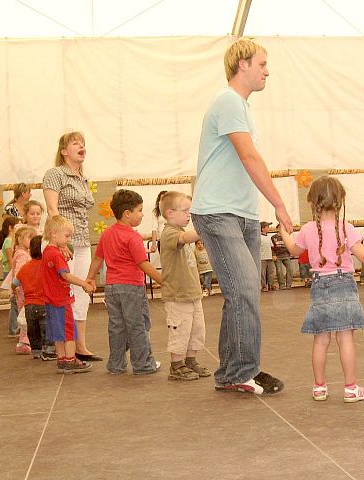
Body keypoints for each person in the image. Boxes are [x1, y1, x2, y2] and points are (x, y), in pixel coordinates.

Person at [190, 38, 292, 395]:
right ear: (242, 64)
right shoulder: (229, 101)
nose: (267, 71)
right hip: (218, 212)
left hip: (242, 213)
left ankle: (238, 369)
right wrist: (279, 204)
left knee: (243, 293)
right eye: (262, 64)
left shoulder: (241, 107)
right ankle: (240, 370)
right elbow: (249, 158)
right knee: (245, 290)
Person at [279, 176, 364, 402]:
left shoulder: (308, 229)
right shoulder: (346, 228)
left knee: (320, 340)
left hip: (319, 285)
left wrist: (282, 232)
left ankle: (319, 387)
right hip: (344, 284)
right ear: (340, 202)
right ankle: (351, 388)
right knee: (345, 339)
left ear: (312, 202)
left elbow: (293, 250)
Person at [86, 190, 162, 375]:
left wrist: (89, 278)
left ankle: (116, 365)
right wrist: (164, 281)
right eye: (140, 210)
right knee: (138, 326)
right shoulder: (133, 236)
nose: (142, 214)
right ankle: (143, 364)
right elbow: (143, 263)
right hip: (132, 288)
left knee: (117, 327)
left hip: (112, 289)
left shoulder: (106, 234)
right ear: (127, 213)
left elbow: (97, 260)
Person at [43, 132, 100, 362]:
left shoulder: (83, 178)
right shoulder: (55, 174)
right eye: (75, 143)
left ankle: (81, 346)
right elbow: (52, 209)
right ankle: (64, 349)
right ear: (64, 151)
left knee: (82, 290)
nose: (81, 146)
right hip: (63, 241)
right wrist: (60, 243)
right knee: (63, 292)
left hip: (83, 241)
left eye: (83, 143)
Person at [159, 191, 212, 381]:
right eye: (186, 210)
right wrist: (205, 228)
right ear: (170, 213)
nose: (189, 214)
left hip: (192, 293)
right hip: (177, 295)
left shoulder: (181, 231)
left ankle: (190, 360)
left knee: (196, 330)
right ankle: (176, 365)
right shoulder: (169, 233)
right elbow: (185, 239)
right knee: (180, 330)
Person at [41, 215, 94, 374]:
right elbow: (65, 275)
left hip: (50, 299)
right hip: (61, 300)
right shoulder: (56, 254)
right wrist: (84, 283)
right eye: (67, 236)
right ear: (53, 233)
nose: (69, 239)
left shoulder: (47, 252)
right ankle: (70, 360)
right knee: (69, 331)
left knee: (57, 332)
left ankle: (62, 359)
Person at [13, 235, 56, 360]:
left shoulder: (25, 268)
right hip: (44, 303)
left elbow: (14, 283)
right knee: (47, 329)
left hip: (29, 306)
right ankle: (48, 350)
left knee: (33, 331)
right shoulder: (47, 266)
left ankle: (36, 351)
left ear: (30, 250)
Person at [10, 225, 37, 354]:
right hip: (23, 289)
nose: (31, 241)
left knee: (25, 314)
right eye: (29, 237)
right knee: (25, 315)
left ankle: (25, 339)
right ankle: (24, 341)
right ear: (19, 239)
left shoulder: (22, 253)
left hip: (22, 288)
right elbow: (19, 273)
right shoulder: (22, 255)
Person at [0, 215, 23, 337]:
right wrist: (14, 275)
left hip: (12, 272)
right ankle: (13, 329)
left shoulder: (9, 241)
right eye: (17, 226)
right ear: (10, 228)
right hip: (10, 272)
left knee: (16, 301)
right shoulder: (8, 242)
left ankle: (17, 328)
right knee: (14, 301)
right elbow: (10, 260)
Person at [260, 221, 276, 291]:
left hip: (269, 257)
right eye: (267, 227)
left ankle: (271, 285)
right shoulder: (259, 237)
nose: (268, 228)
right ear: (262, 228)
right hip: (262, 257)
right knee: (262, 273)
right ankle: (264, 286)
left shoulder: (268, 237)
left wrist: (273, 255)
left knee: (271, 272)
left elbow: (271, 247)